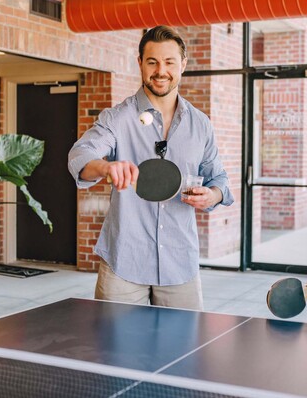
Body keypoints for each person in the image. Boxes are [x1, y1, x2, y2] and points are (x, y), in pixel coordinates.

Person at [67, 25, 233, 310]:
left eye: (169, 62)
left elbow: (219, 179)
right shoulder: (117, 118)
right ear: (140, 63)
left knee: (184, 350)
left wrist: (212, 195)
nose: (161, 70)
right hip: (124, 263)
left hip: (180, 265)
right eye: (152, 62)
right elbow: (80, 155)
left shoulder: (200, 124)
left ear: (183, 64)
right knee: (116, 353)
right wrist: (105, 168)